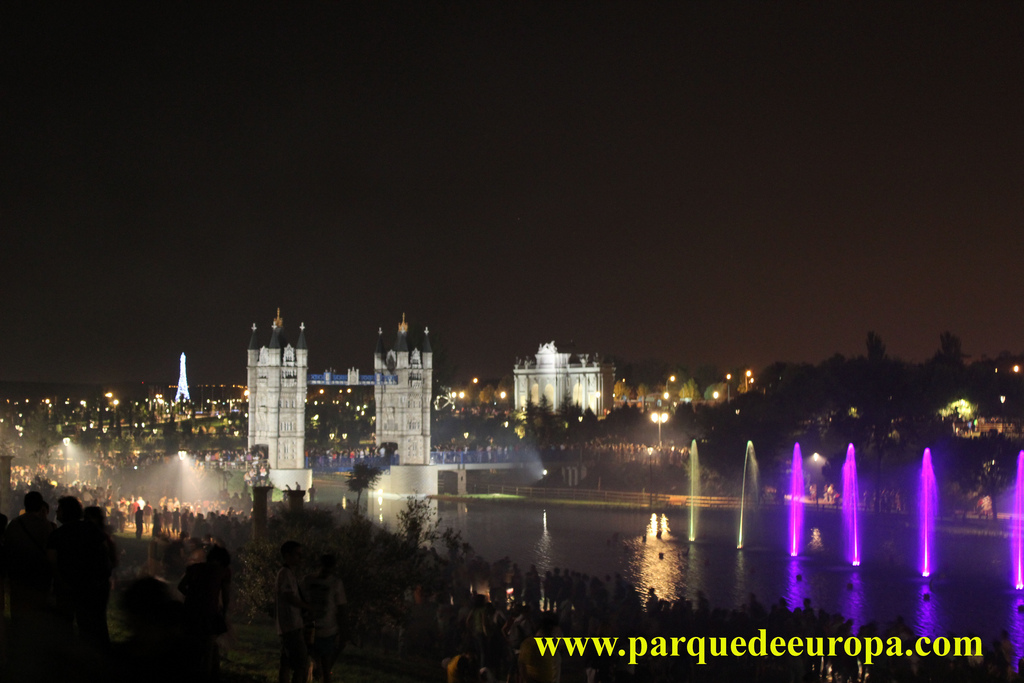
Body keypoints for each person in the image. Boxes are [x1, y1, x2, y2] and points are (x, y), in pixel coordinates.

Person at [301, 554, 348, 683]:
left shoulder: (334, 583)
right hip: (312, 630)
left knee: (324, 668)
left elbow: (342, 609)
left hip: (325, 631)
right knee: (315, 667)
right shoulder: (309, 581)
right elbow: (342, 609)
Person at [277, 541, 311, 683]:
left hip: (290, 624)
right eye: (297, 554)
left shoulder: (288, 573)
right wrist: (307, 606)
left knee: (286, 662)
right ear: (287, 555)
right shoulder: (285, 574)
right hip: (291, 625)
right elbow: (289, 596)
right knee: (301, 664)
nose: (300, 558)